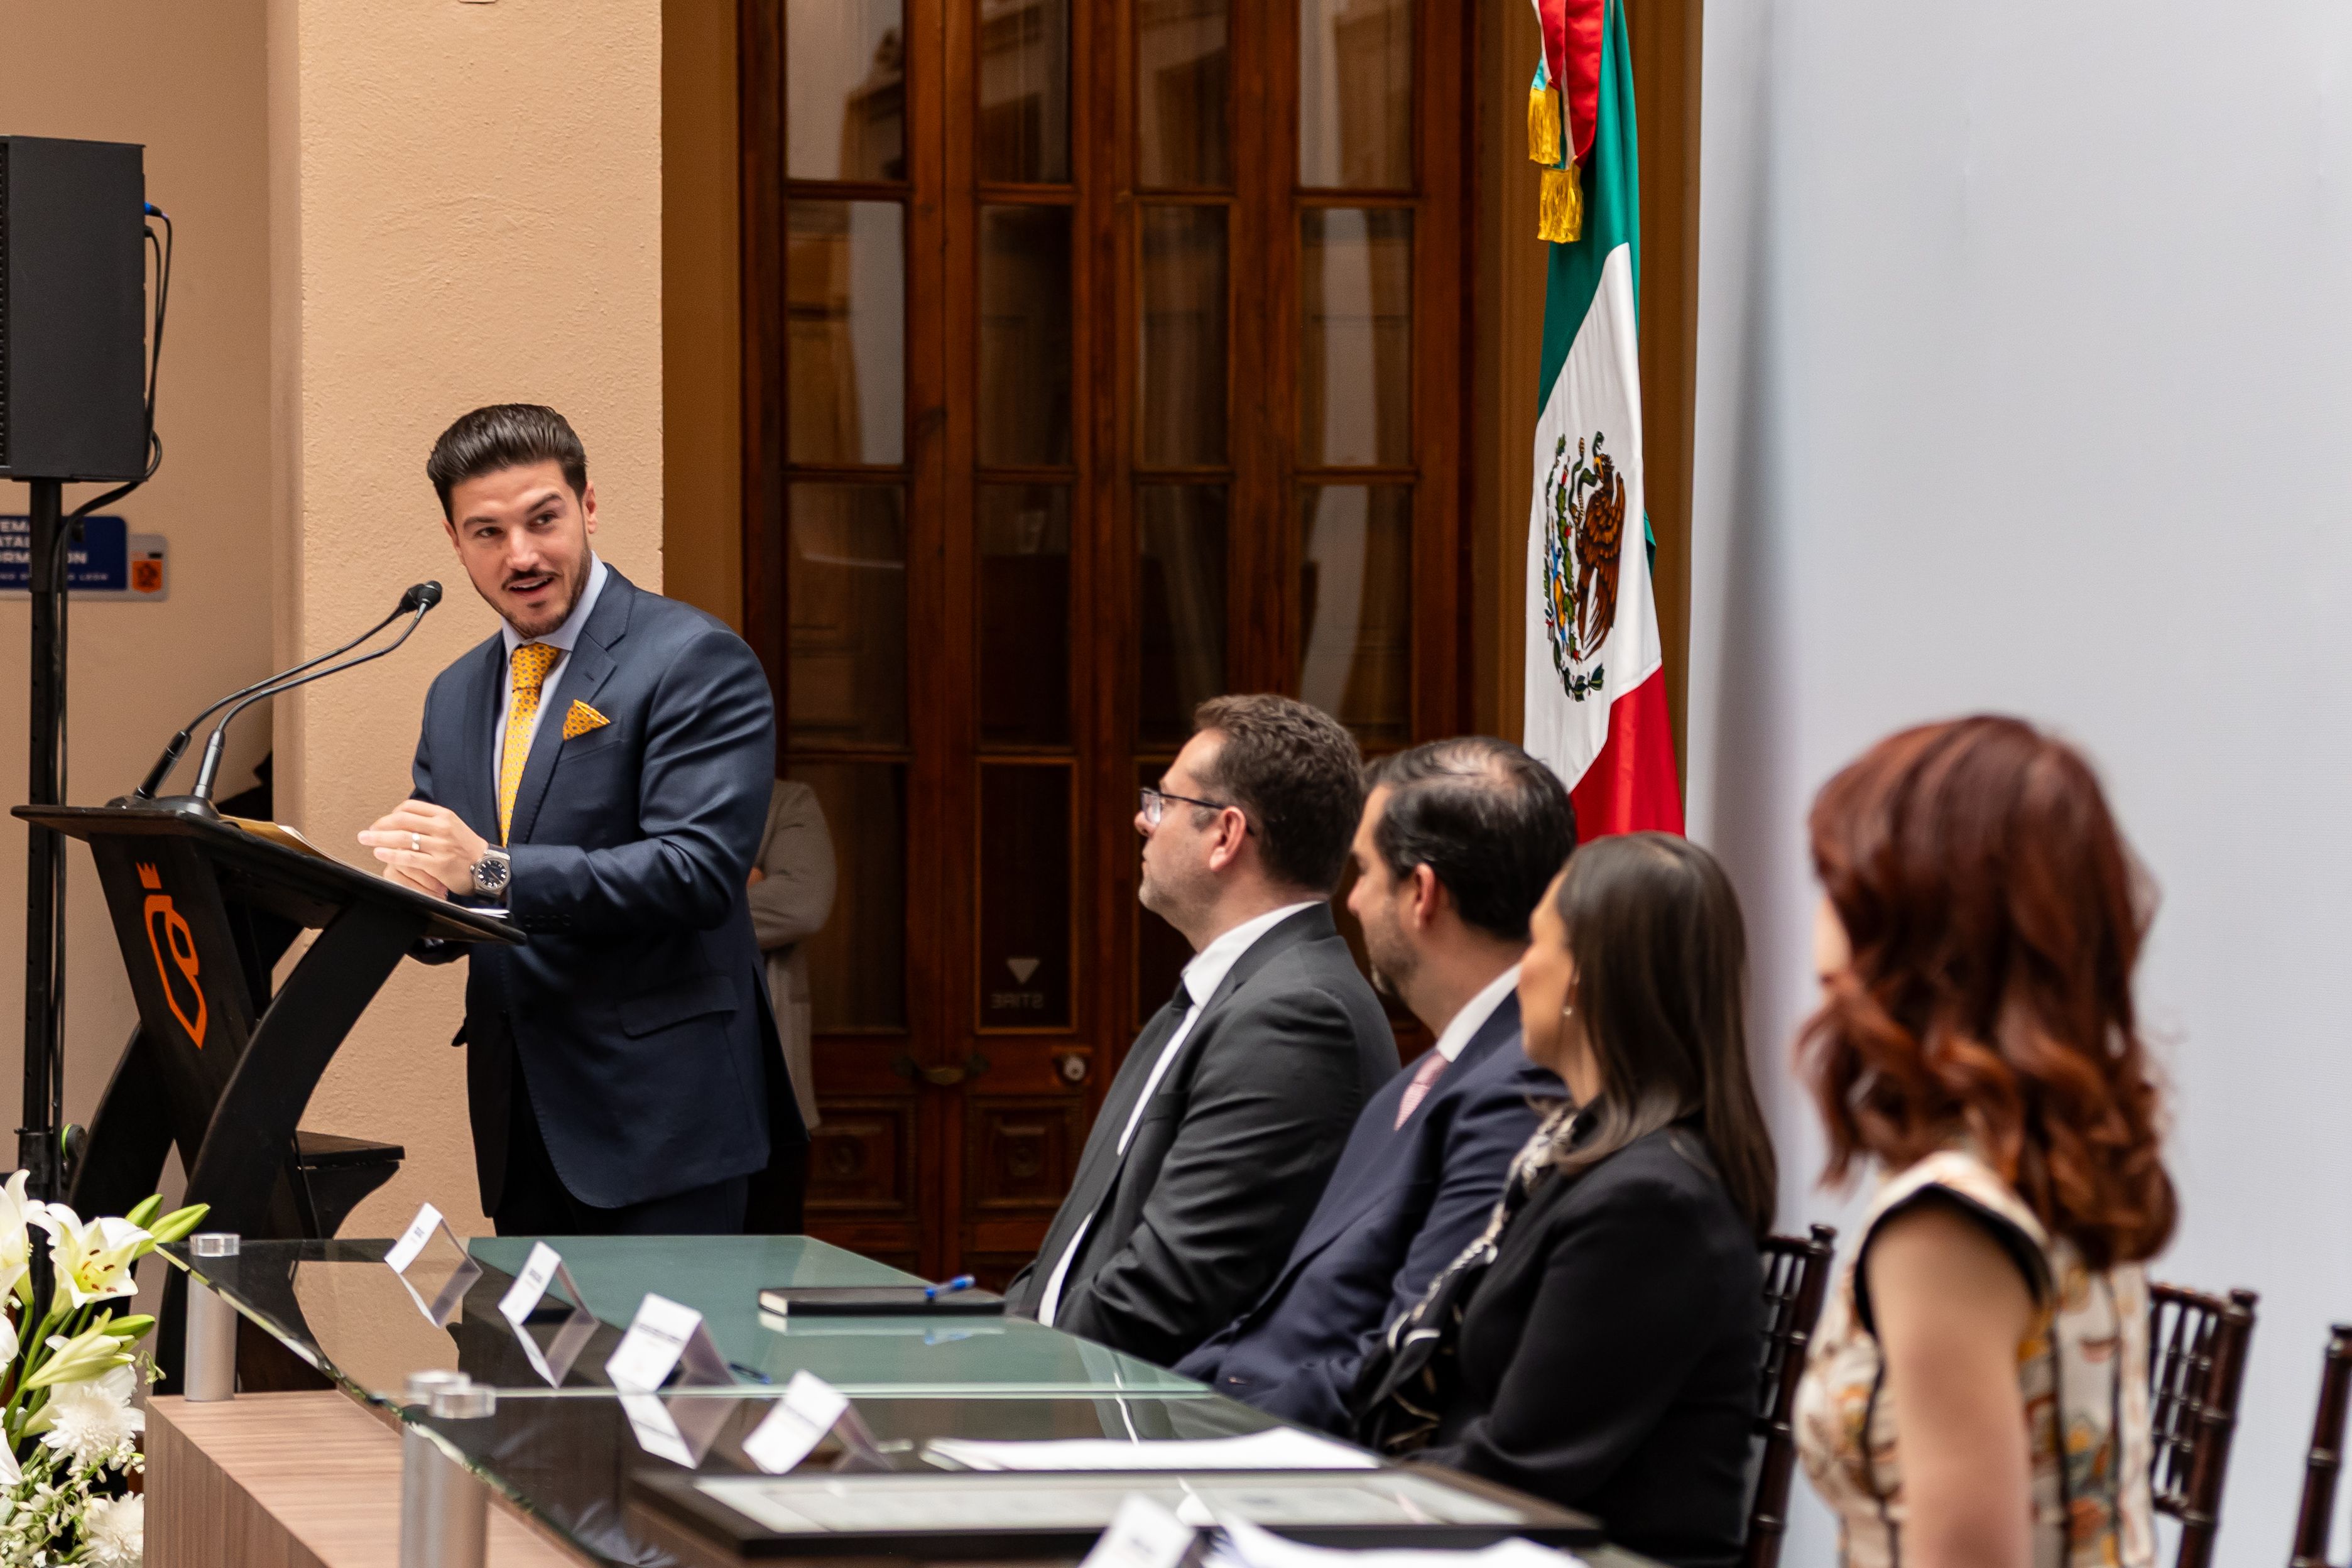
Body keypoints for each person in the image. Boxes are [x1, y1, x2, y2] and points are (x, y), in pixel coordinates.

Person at [360, 403, 805, 1236]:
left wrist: (486, 870)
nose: (521, 556)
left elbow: (698, 873)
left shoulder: (692, 658)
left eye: (543, 520)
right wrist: (410, 899)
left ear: (589, 507)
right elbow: (460, 896)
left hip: (665, 1126)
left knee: (665, 1337)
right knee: (534, 1335)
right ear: (455, 541)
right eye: (487, 532)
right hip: (521, 1123)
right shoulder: (455, 693)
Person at [1793, 717, 2175, 1568]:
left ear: (1921, 921)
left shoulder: (1945, 1222)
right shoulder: (2047, 1156)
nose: (1819, 917)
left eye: (1838, 883)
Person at [1352, 834, 1778, 1568]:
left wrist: (1337, 1498)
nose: (1521, 968)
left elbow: (1520, 1470)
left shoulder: (1651, 1206)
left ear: (1584, 977)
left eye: (1538, 942)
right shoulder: (1573, 1159)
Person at [1176, 737, 1573, 1432]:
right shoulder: (1427, 1078)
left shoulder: (1521, 1091)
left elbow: (1406, 1359)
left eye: (1363, 871)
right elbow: (1288, 1317)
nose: (1352, 901)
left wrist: (1210, 1425)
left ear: (1422, 894)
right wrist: (1170, 1401)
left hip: (1305, 1457)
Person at [1003, 694, 1396, 1366]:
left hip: (1152, 1414)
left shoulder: (1298, 1015)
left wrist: (1025, 1371)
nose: (1142, 819)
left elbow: (1171, 1290)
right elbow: (1076, 1249)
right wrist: (1001, 1336)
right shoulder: (1221, 994)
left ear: (1226, 835)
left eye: (1163, 802)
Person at [749, 778, 837, 1138]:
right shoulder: (629, 803)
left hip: (766, 1092)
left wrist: (663, 909)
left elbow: (803, 906)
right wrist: (742, 885)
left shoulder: (786, 801)